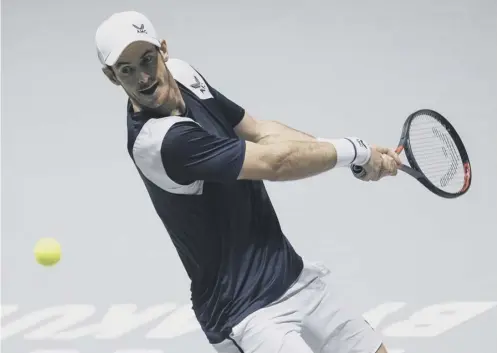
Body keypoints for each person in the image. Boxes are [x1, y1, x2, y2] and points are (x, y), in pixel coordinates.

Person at [95, 10, 401, 353]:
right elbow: (275, 162)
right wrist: (354, 151)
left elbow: (260, 132)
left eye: (147, 59)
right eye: (127, 70)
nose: (143, 77)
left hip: (290, 273)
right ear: (112, 77)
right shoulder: (161, 142)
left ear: (163, 49)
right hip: (243, 312)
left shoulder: (183, 75)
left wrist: (351, 157)